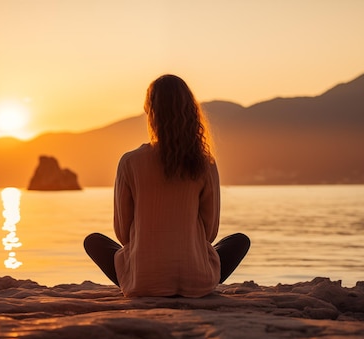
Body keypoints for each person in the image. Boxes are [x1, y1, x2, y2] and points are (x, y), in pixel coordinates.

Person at [84, 74, 250, 297]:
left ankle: (149, 275)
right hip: (198, 281)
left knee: (94, 241)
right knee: (238, 241)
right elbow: (210, 233)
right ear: (191, 112)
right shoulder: (205, 162)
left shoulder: (130, 162)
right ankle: (190, 271)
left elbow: (124, 235)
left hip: (143, 283)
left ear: (151, 113)